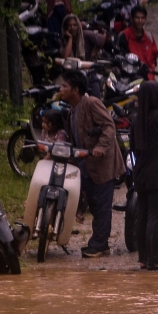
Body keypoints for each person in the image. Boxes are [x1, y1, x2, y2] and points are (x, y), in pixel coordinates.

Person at [59, 70, 121, 258]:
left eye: (64, 86)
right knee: (93, 203)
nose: (61, 89)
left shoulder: (92, 103)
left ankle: (100, 245)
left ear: (75, 90)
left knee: (102, 205)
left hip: (103, 164)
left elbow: (109, 126)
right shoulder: (72, 111)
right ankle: (98, 242)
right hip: (86, 164)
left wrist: (101, 147)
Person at [130, 81, 158, 270]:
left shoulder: (135, 120)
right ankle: (155, 259)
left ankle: (143, 258)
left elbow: (133, 148)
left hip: (140, 173)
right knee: (155, 217)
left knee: (144, 215)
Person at [115, 6, 158, 75]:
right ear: (131, 19)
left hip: (148, 77)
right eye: (137, 18)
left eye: (142, 18)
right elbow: (120, 58)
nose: (140, 21)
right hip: (131, 77)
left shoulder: (149, 37)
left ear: (145, 19)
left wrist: (151, 67)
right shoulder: (124, 36)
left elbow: (154, 56)